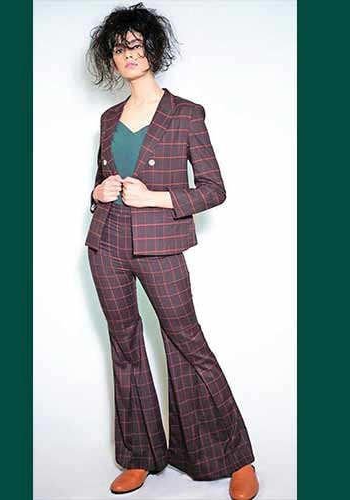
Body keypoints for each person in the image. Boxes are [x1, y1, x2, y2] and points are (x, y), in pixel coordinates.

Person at [85, 4, 259, 500]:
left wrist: (157, 198)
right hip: (106, 243)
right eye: (119, 48)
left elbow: (214, 189)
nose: (127, 55)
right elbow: (100, 179)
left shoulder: (185, 113)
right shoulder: (108, 118)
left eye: (135, 45)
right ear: (111, 58)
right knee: (125, 347)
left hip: (160, 245)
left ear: (153, 50)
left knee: (187, 344)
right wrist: (97, 192)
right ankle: (140, 456)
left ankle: (234, 458)